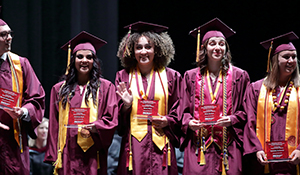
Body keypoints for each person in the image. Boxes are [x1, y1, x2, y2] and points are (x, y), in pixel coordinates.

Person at [179, 18, 250, 175]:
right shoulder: (190, 76)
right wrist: (189, 122)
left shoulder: (240, 76)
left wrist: (232, 119)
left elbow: (248, 111)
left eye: (221, 44)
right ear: (204, 48)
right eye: (212, 43)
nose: (217, 47)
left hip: (228, 145)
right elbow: (181, 110)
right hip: (198, 147)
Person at [44, 31, 118, 175]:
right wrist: (53, 153)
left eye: (89, 57)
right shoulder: (59, 89)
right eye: (80, 56)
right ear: (73, 60)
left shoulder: (106, 87)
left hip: (93, 152)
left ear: (94, 61)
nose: (84, 60)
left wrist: (96, 126)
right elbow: (54, 124)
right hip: (68, 151)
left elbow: (112, 118)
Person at [115, 21, 182, 174]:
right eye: (138, 47)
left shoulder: (172, 76)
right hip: (133, 147)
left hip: (162, 146)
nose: (143, 51)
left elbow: (179, 110)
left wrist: (167, 121)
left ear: (156, 49)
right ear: (132, 50)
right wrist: (126, 105)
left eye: (148, 47)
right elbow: (116, 118)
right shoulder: (123, 76)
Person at [243, 31, 300, 175]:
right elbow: (250, 121)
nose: (291, 60)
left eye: (294, 57)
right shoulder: (256, 88)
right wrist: (257, 149)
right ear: (274, 60)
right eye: (286, 57)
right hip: (264, 163)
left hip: (294, 162)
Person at [0, 17, 45, 174]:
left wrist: (23, 111)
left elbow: (36, 98)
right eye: (3, 35)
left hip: (14, 142)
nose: (9, 38)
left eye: (10, 33)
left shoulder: (21, 64)